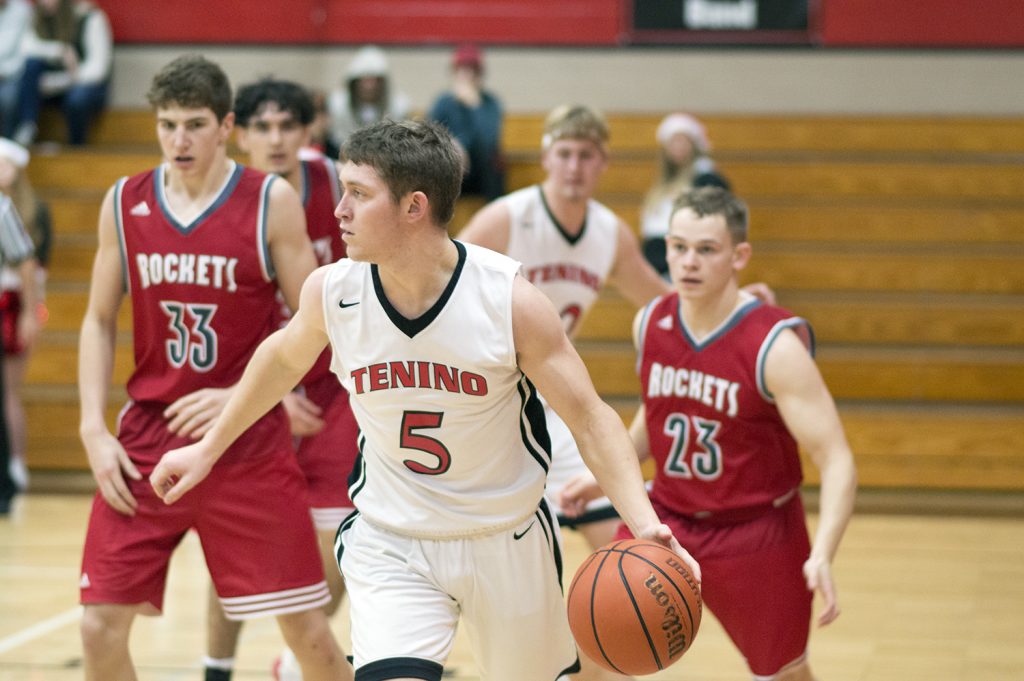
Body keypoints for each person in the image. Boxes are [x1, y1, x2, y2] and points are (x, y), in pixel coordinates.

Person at [149, 118, 700, 681]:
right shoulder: (333, 291)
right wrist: (207, 450)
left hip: (503, 538)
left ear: (414, 207)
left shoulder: (508, 302)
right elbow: (282, 359)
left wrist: (645, 521)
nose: (339, 211)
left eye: (358, 195)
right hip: (393, 541)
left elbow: (589, 418)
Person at [76, 55, 351, 681]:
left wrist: (238, 394)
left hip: (247, 442)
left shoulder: (268, 202)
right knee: (98, 628)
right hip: (147, 438)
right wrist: (93, 429)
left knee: (309, 634)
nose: (179, 139)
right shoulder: (124, 202)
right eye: (167, 124)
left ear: (227, 125)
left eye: (194, 124)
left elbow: (314, 321)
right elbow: (97, 319)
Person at [564, 186, 858, 681]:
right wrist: (615, 469)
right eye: (678, 247)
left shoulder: (775, 347)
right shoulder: (650, 322)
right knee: (600, 646)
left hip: (757, 534)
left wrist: (824, 552)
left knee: (783, 672)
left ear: (739, 255)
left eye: (706, 250)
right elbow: (660, 413)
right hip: (667, 521)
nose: (688, 262)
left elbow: (837, 459)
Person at [200, 77, 358, 681]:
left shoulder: (340, 184)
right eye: (262, 127)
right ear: (240, 133)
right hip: (256, 384)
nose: (275, 139)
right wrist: (270, 393)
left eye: (286, 126)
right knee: (235, 545)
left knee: (341, 537)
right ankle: (216, 667)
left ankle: (298, 661)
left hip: (334, 386)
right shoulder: (224, 199)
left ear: (307, 131)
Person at [0, 136, 50, 492]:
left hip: (10, 302)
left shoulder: (19, 210)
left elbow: (30, 263)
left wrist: (31, 312)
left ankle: (14, 463)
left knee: (8, 391)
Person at [4, 0, 112, 146]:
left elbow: (98, 70)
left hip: (84, 84)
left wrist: (62, 81)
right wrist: (60, 50)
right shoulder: (38, 17)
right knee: (29, 68)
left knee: (77, 99)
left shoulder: (90, 17)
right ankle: (27, 128)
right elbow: (26, 48)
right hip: (52, 85)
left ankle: (77, 147)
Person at [640, 113, 729, 276]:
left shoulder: (705, 179)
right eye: (673, 141)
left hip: (685, 266)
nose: (678, 146)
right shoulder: (660, 186)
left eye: (683, 140)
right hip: (658, 267)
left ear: (694, 144)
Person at [427, 44, 505, 201]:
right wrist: (455, 146)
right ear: (454, 73)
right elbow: (429, 138)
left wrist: (475, 106)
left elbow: (489, 141)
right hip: (451, 168)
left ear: (480, 74)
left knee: (493, 164)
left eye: (473, 70)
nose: (468, 75)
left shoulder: (490, 103)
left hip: (480, 172)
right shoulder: (443, 102)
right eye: (463, 70)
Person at [325, 45, 410, 156]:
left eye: (374, 80)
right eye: (364, 80)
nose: (369, 86)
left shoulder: (399, 106)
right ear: (354, 82)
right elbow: (337, 139)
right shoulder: (338, 105)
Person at [0, 0, 32, 133]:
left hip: (12, 74)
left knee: (8, 99)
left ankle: (8, 144)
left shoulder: (22, 11)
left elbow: (25, 50)